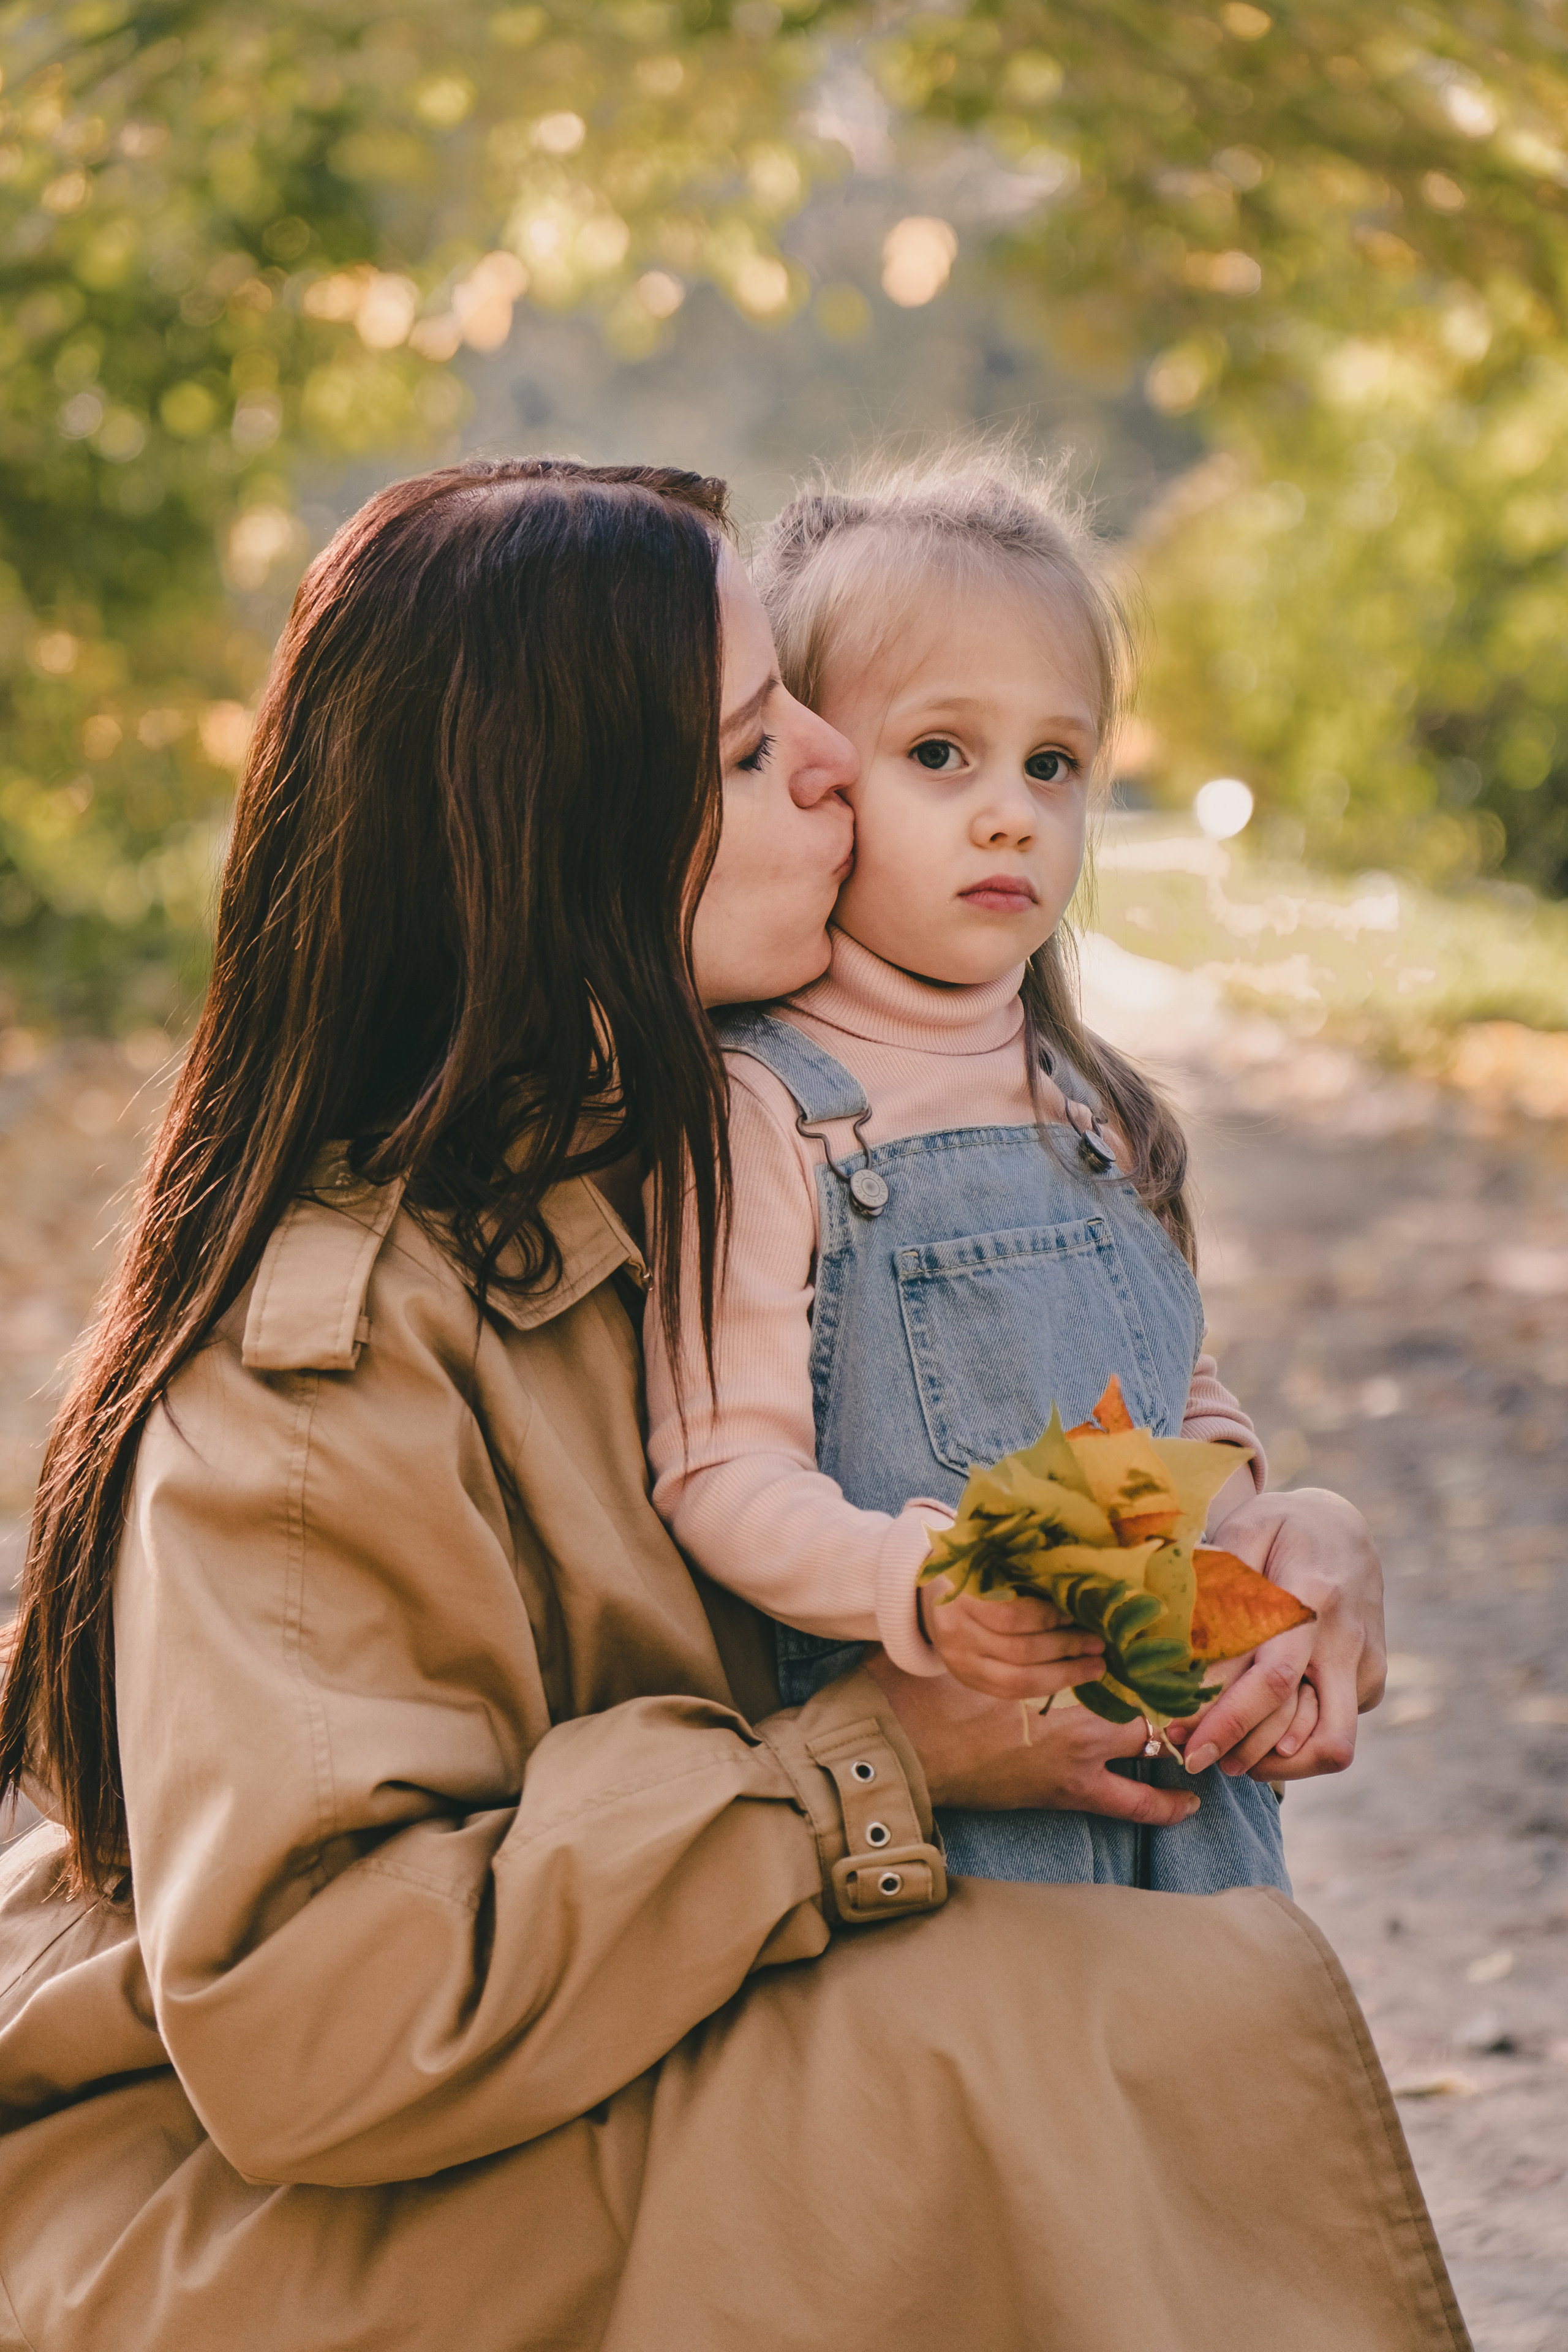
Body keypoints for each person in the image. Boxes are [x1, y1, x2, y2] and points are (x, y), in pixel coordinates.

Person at [0, 458, 1465, 2351]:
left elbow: (1065, 1412)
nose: (841, 765)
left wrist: (1281, 1536)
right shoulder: (315, 1388)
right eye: (759, 747)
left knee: (1118, 2023)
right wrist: (877, 1761)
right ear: (576, 841)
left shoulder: (719, 1155)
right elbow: (318, 2028)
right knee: (1052, 2040)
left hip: (597, 2063)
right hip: (304, 2228)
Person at [646, 452, 1348, 1896]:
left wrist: (1259, 1528)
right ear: (819, 775)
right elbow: (719, 1470)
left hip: (1178, 1816)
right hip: (955, 1834)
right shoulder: (766, 1113)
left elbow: (1176, 1401)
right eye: (938, 754)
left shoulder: (1091, 1104)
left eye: (1050, 764)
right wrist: (916, 1583)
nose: (1010, 814)